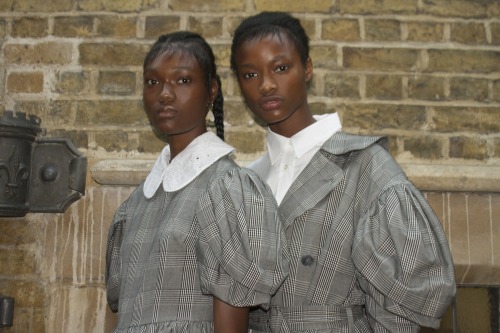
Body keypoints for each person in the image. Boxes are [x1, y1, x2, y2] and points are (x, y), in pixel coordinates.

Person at [230, 12, 456, 333]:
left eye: (281, 68)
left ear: (307, 68)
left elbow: (404, 304)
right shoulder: (245, 182)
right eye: (250, 74)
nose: (266, 85)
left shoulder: (365, 164)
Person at [105, 31, 289, 333]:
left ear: (211, 90)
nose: (164, 93)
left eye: (183, 80)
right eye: (153, 82)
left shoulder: (227, 189)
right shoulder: (135, 204)